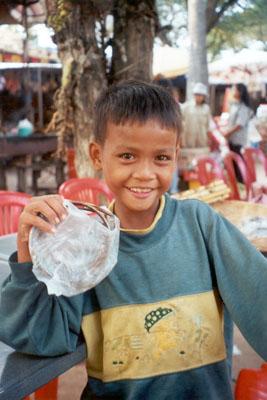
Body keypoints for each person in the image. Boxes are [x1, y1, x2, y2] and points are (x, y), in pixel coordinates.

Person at [0, 81, 266, 400]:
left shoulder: (203, 225)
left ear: (176, 156)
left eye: (161, 158)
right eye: (127, 155)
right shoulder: (84, 244)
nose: (144, 173)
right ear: (98, 155)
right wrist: (28, 254)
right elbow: (41, 338)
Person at [223, 83, 253, 180]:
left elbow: (239, 125)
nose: (232, 92)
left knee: (239, 164)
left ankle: (241, 184)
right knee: (233, 163)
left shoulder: (243, 107)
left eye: (234, 90)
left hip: (238, 141)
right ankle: (236, 184)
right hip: (232, 140)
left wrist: (227, 133)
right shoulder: (235, 105)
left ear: (240, 92)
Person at [181, 82, 211, 149]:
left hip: (202, 141)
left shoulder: (206, 108)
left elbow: (208, 126)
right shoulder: (186, 107)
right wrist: (181, 141)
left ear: (204, 96)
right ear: (194, 95)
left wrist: (209, 138)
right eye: (197, 94)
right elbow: (181, 125)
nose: (199, 97)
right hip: (188, 141)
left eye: (201, 95)